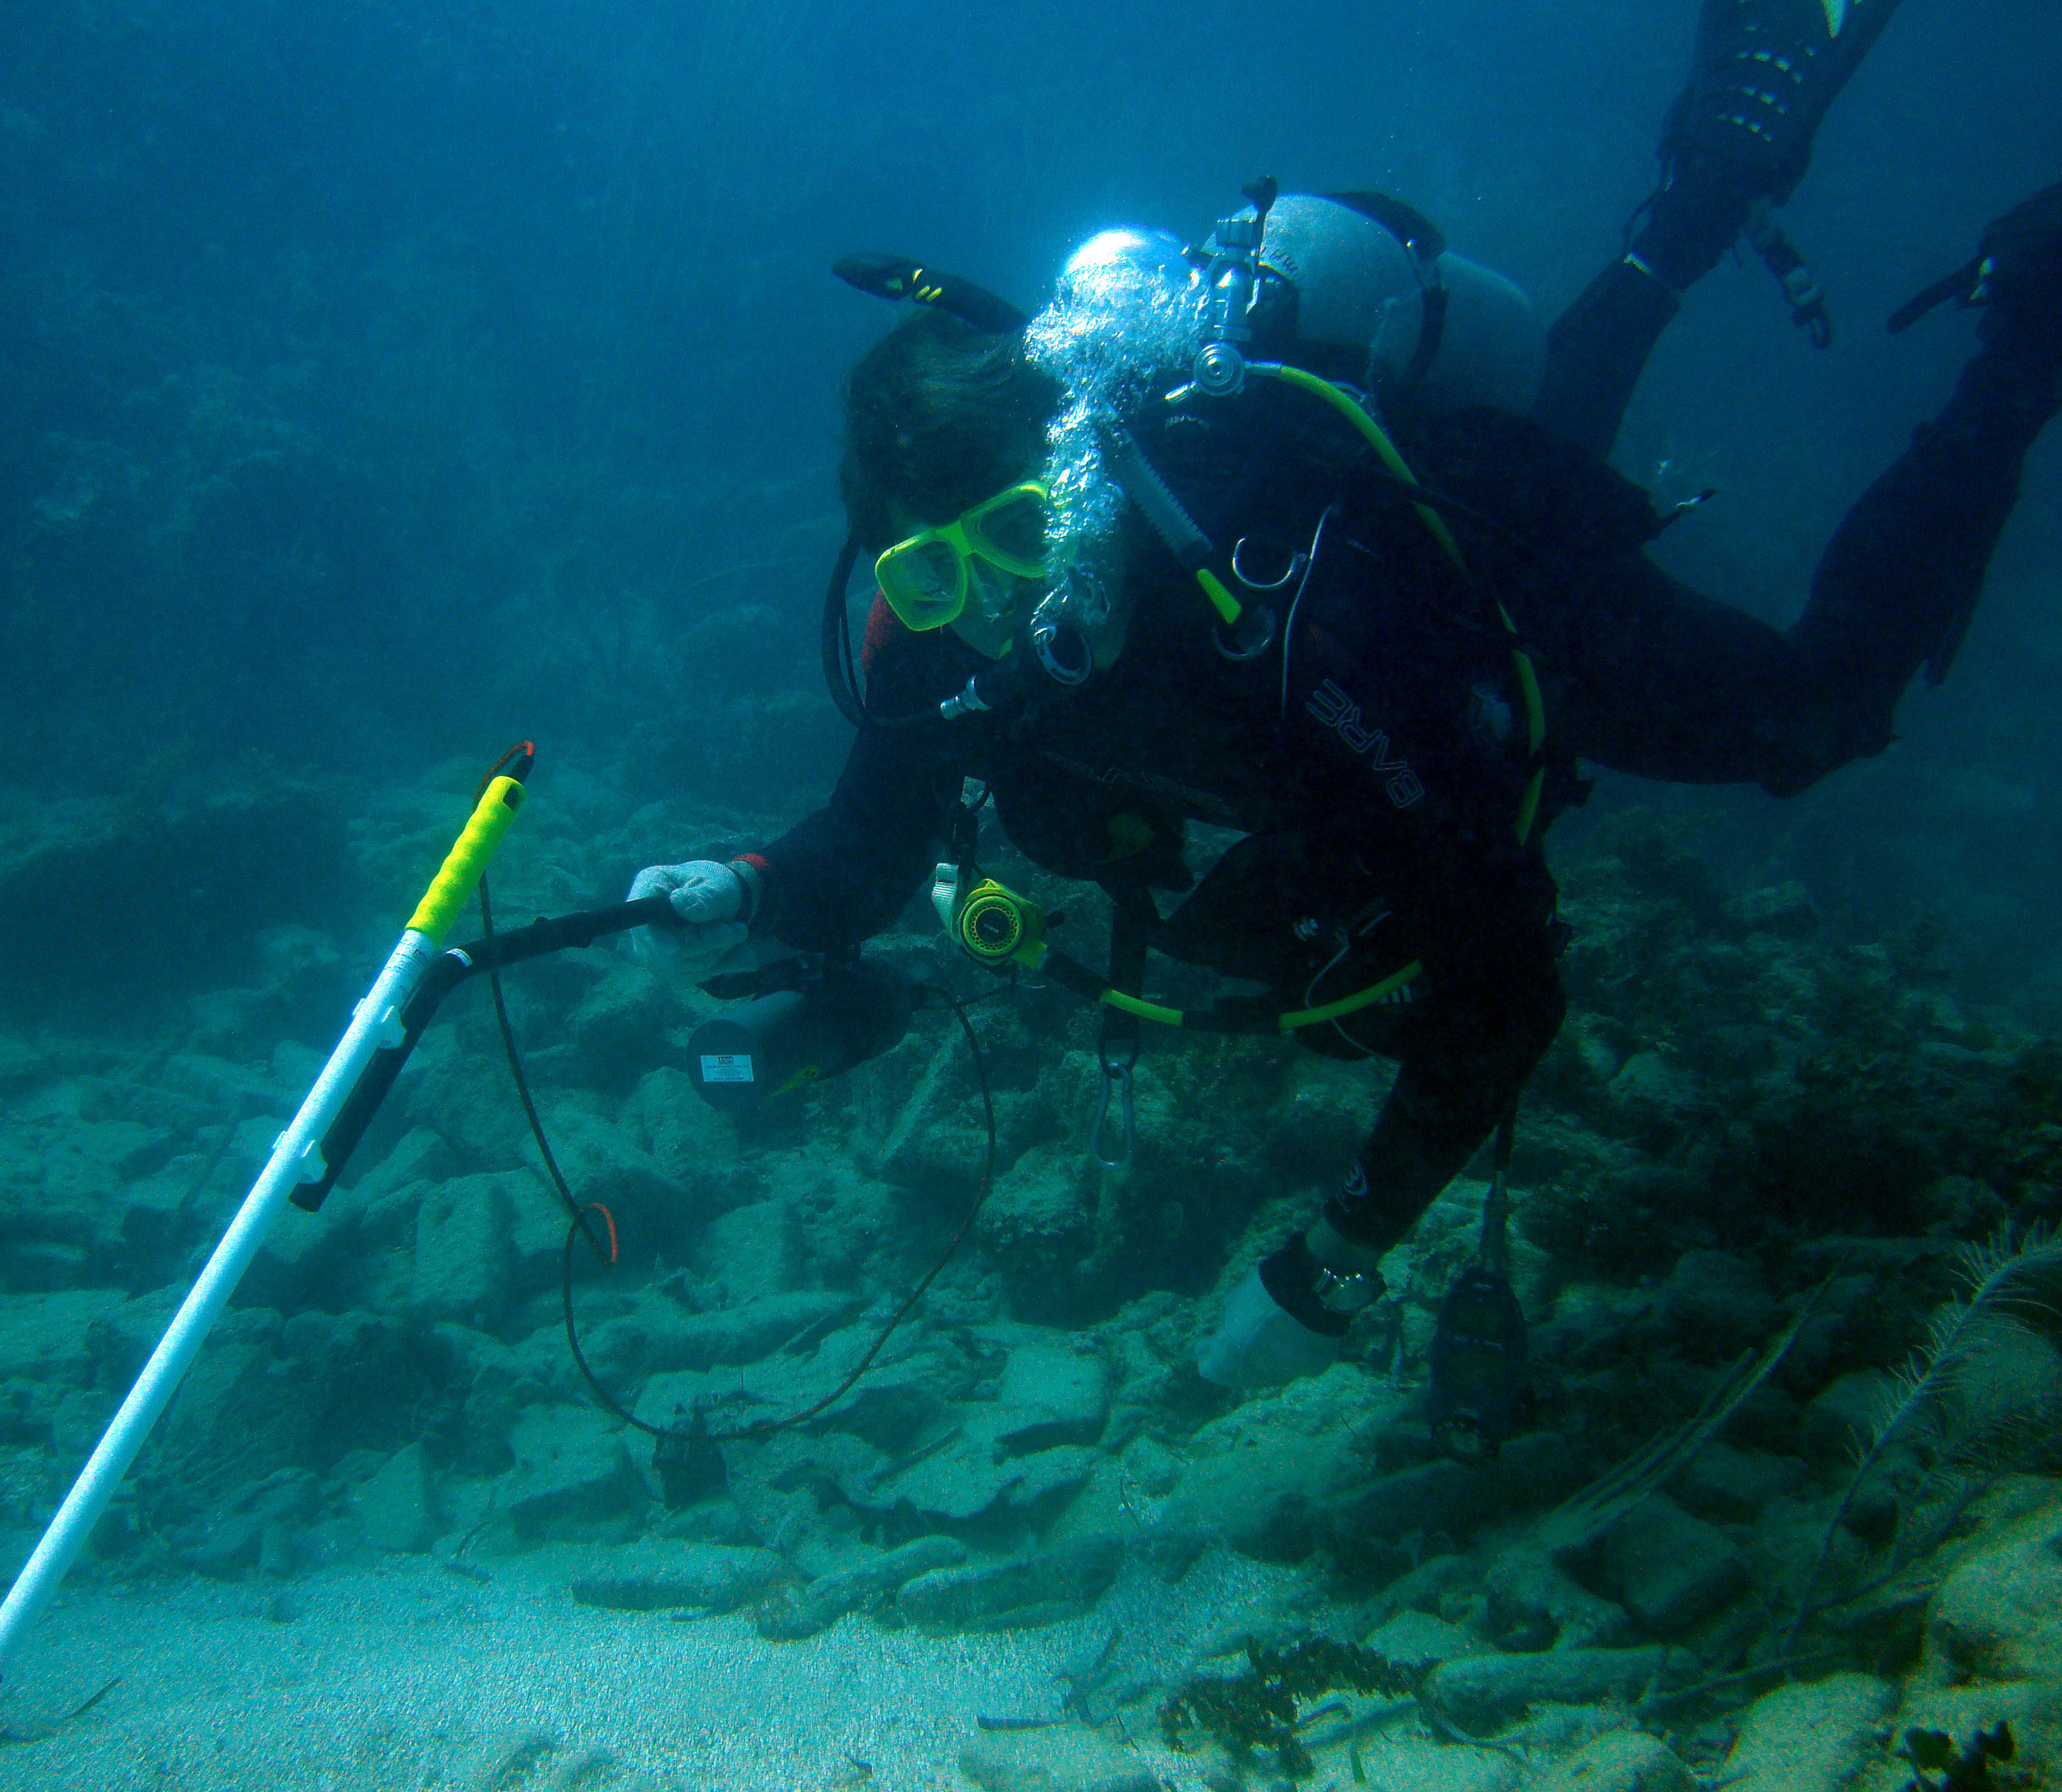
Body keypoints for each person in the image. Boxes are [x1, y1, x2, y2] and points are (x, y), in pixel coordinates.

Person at [627, 0, 2061, 1398]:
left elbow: (1506, 973)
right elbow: (865, 846)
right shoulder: (931, 638)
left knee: (1820, 717)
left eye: (1018, 537)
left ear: (1089, 489)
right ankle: (1685, 219)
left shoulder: (1292, 612)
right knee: (1538, 438)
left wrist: (1339, 1257)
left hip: (1483, 620)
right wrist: (733, 889)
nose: (996, 611)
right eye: (933, 576)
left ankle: (2018, 339)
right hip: (1405, 602)